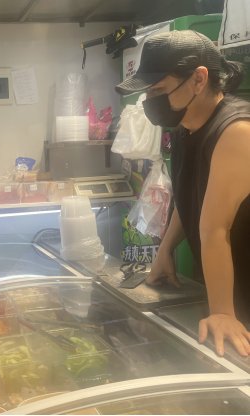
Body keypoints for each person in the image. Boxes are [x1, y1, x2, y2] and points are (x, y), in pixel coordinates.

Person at [116, 30, 250, 357]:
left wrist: (222, 312)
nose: (151, 101)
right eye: (148, 92)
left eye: (159, 90)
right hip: (228, 289)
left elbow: (214, 228)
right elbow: (190, 197)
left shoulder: (236, 131)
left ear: (199, 79)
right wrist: (165, 249)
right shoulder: (184, 128)